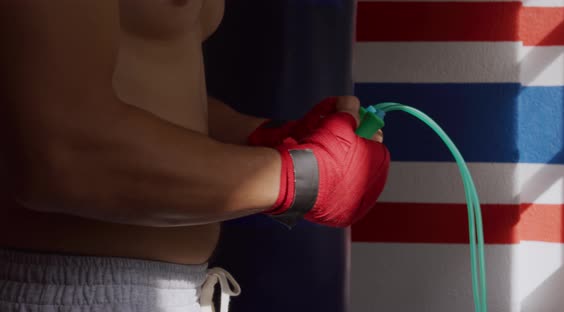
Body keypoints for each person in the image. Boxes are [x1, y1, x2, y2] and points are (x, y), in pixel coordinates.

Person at [0, 1, 390, 312]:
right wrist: (298, 178)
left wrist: (262, 138)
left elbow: (141, 84)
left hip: (179, 289)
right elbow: (59, 152)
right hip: (57, 289)